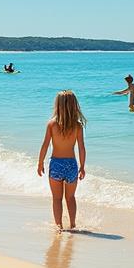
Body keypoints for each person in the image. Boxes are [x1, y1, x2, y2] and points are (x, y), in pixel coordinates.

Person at [37, 90, 87, 231]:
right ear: (74, 106)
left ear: (57, 105)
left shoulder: (52, 124)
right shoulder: (77, 126)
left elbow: (45, 145)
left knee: (57, 198)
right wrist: (82, 167)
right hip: (71, 164)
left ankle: (59, 226)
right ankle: (72, 225)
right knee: (70, 198)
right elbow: (82, 148)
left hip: (56, 164)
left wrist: (40, 163)